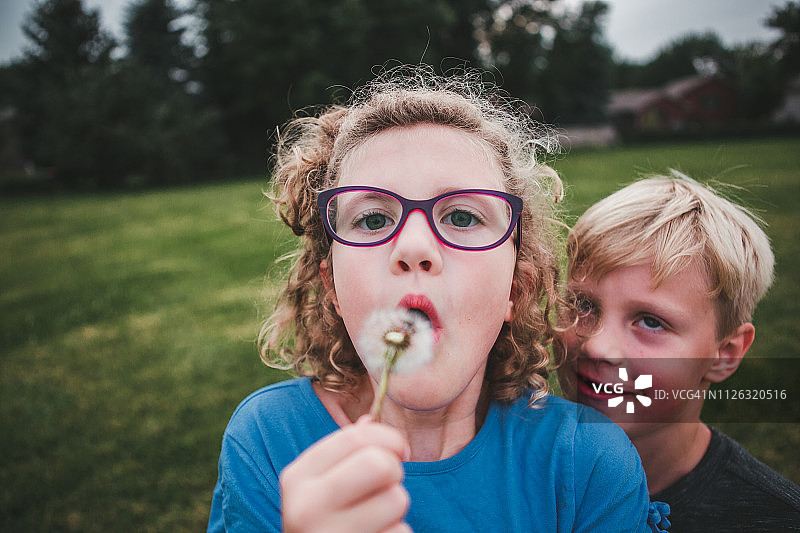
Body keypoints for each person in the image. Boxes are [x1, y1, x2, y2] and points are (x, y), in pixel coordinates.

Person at [207, 66, 665, 533]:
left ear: (514, 287)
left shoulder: (584, 463)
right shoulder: (269, 440)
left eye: (462, 217)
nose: (414, 247)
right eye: (371, 220)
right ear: (333, 288)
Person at [558, 173, 800, 531]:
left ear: (725, 354)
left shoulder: (773, 519)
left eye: (651, 322)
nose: (597, 345)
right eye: (583, 304)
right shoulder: (505, 472)